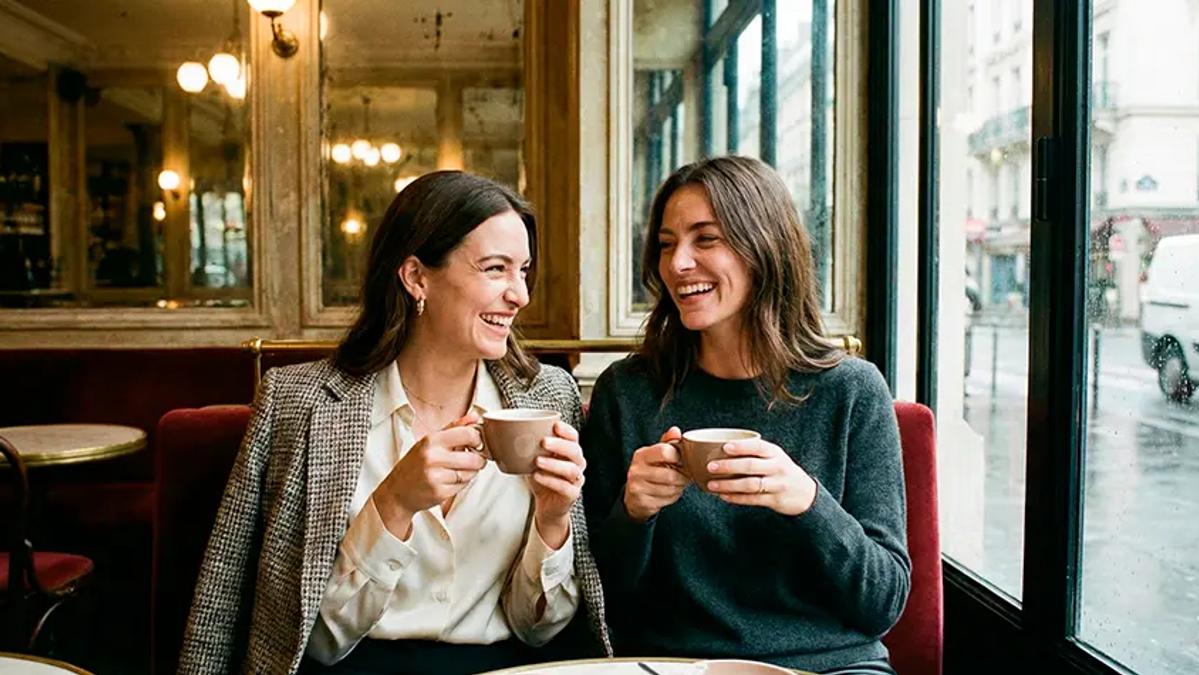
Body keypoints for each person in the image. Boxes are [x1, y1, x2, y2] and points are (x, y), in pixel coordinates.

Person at [179, 171, 611, 675]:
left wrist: (553, 521)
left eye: (523, 272)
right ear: (416, 277)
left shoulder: (548, 396)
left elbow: (539, 630)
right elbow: (258, 613)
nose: (520, 295)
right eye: (496, 269)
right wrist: (395, 503)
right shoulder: (299, 401)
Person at [582, 156, 910, 674]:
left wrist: (807, 502)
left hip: (828, 665)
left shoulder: (851, 391)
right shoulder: (628, 392)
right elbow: (601, 600)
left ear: (765, 247)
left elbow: (882, 602)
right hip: (668, 664)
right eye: (667, 244)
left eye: (705, 239)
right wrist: (633, 512)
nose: (678, 264)